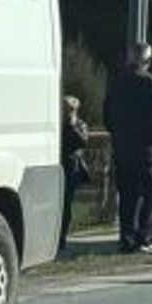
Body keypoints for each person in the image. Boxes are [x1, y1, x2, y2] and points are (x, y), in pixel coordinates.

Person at [104, 42, 152, 255]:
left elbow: (108, 116)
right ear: (147, 61)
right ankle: (145, 237)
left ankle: (127, 238)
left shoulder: (116, 83)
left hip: (123, 149)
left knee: (128, 196)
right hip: (148, 149)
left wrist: (118, 135)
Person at [58, 94, 90, 256]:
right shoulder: (56, 124)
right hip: (58, 165)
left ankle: (61, 237)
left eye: (69, 109)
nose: (66, 112)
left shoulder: (80, 124)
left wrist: (71, 126)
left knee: (66, 204)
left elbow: (83, 142)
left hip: (71, 167)